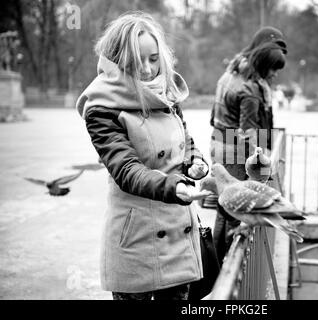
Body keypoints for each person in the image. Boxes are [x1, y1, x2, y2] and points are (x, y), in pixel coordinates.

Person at [76, 11, 211, 300]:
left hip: (178, 234)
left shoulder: (167, 93)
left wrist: (196, 163)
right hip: (136, 239)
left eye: (153, 59)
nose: (149, 70)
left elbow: (185, 142)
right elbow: (126, 170)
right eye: (138, 62)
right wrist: (173, 186)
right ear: (119, 62)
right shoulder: (101, 107)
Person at [210, 38, 286, 264]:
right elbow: (249, 131)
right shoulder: (251, 89)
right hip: (234, 149)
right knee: (231, 211)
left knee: (223, 210)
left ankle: (217, 266)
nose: (275, 75)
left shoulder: (231, 73)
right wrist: (263, 159)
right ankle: (226, 267)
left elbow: (214, 115)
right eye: (273, 68)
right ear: (263, 64)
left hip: (221, 142)